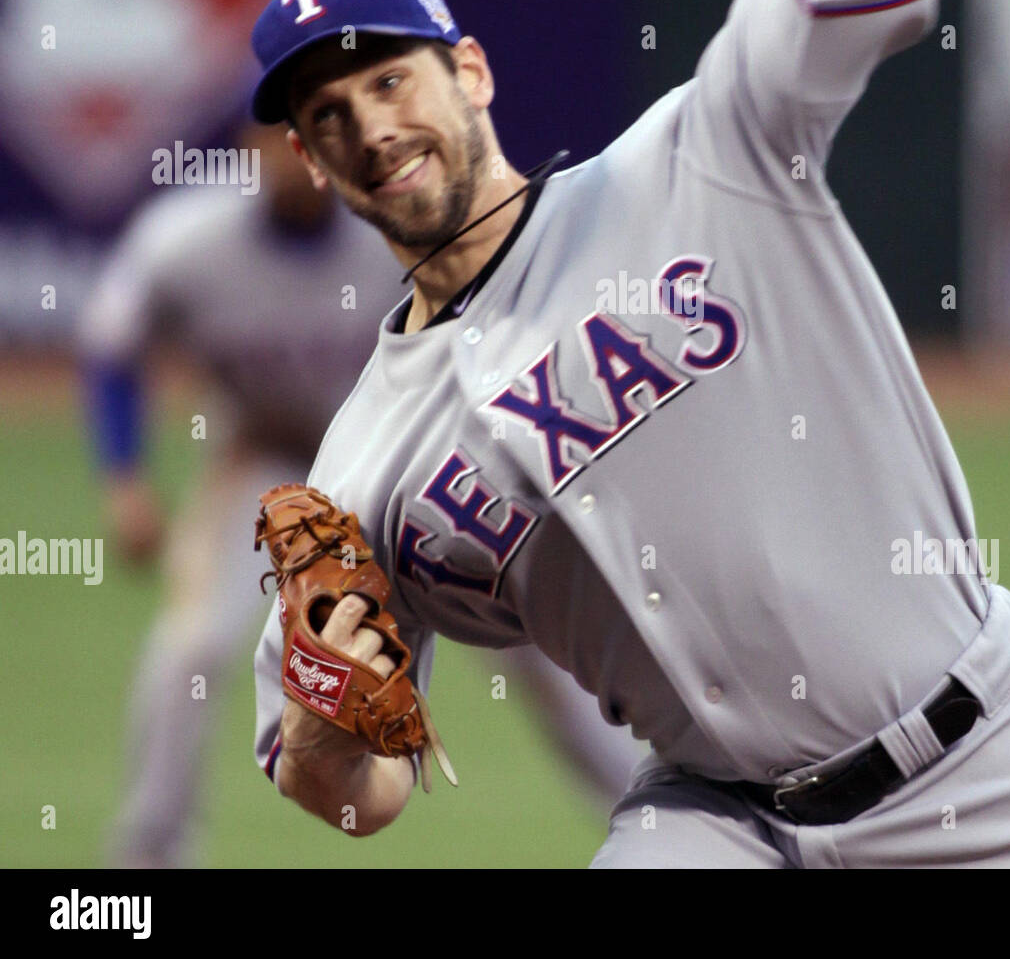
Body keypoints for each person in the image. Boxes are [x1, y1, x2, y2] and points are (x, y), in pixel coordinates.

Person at [248, 0, 1010, 867]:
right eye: (327, 116)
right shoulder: (363, 463)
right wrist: (322, 728)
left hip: (984, 768)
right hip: (720, 824)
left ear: (472, 72)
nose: (368, 128)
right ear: (312, 162)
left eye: (389, 81)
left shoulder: (703, 158)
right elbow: (361, 795)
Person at [83, 119, 638, 867]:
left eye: (304, 136)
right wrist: (125, 478)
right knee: (188, 647)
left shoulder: (396, 228)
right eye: (272, 136)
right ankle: (144, 863)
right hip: (269, 478)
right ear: (250, 147)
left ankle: (655, 825)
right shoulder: (186, 241)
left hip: (421, 472)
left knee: (542, 655)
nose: (288, 155)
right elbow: (112, 346)